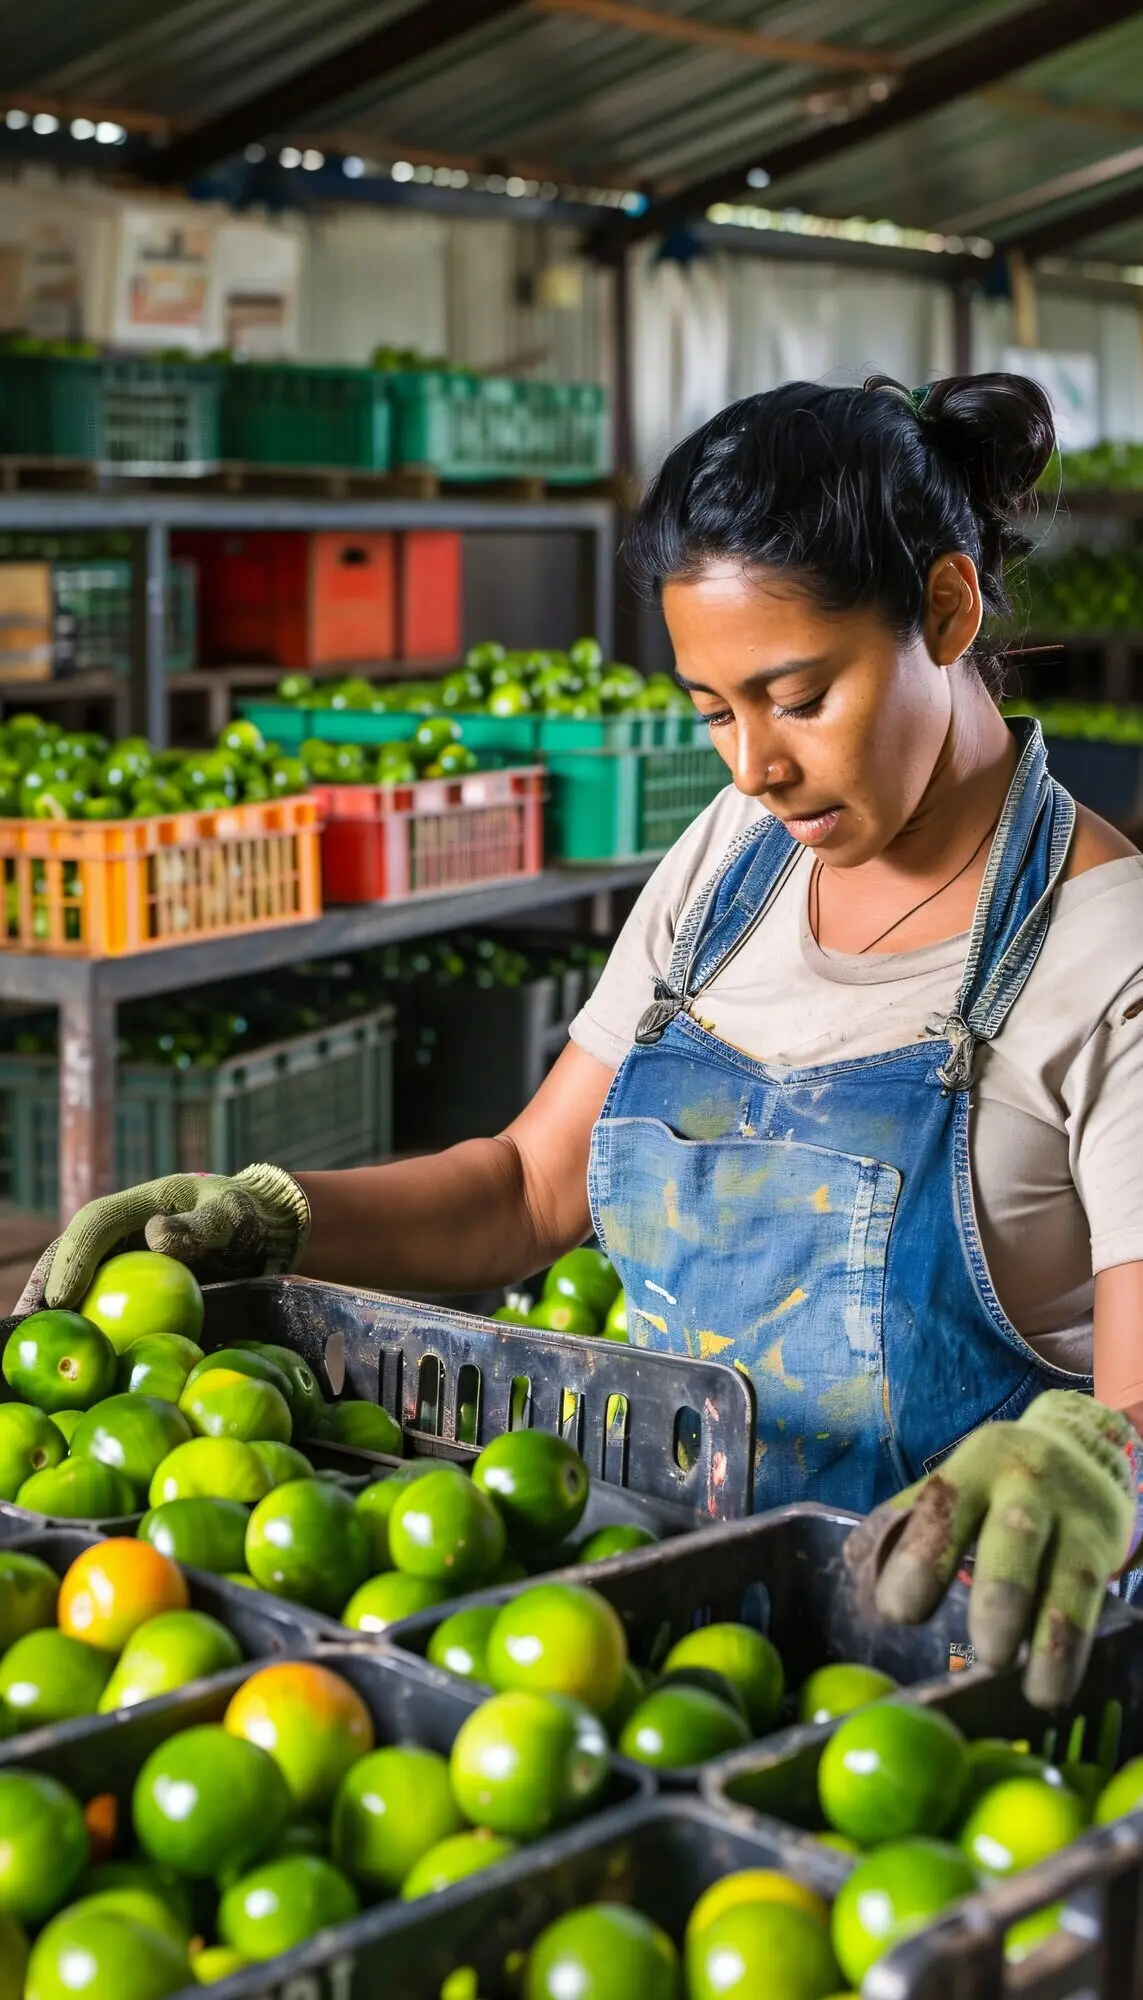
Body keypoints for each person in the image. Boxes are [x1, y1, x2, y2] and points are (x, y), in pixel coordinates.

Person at [22, 374, 1143, 1709]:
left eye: (795, 695)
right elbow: (525, 1189)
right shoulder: (732, 867)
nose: (750, 765)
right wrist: (268, 1218)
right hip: (623, 1642)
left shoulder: (1104, 951)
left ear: (945, 612)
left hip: (933, 1696)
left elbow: (1125, 1416)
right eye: (714, 708)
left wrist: (1101, 1458)